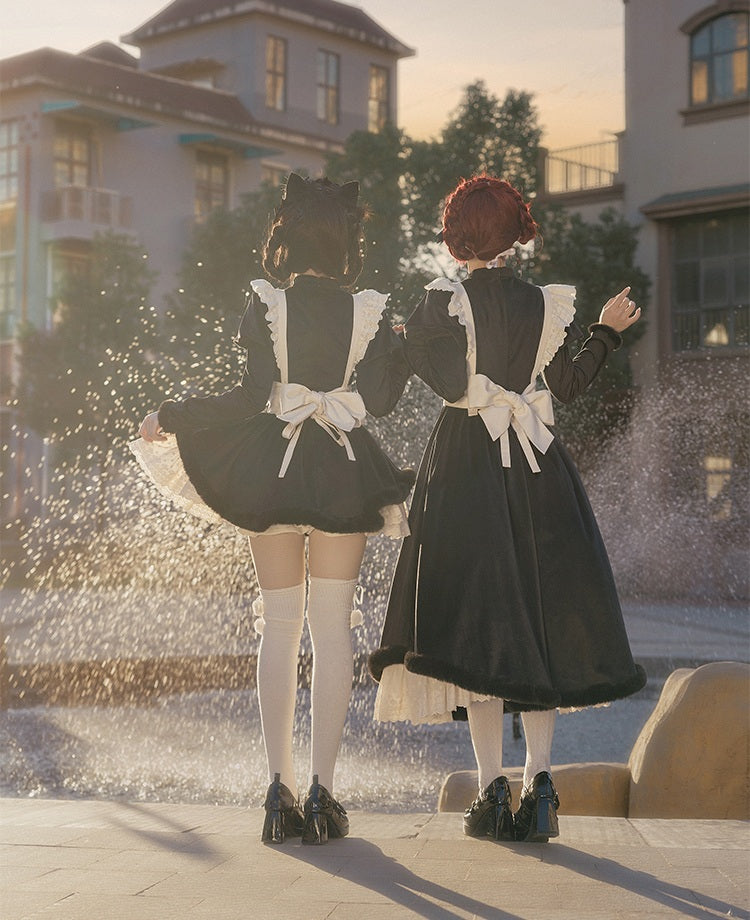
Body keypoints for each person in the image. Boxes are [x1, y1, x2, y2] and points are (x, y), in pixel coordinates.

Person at [133, 173, 414, 845]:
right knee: (334, 630)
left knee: (279, 630)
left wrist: (169, 413)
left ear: (287, 234)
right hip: (345, 473)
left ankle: (277, 793)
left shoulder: (265, 305)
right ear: (346, 241)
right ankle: (324, 795)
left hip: (274, 468)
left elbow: (246, 398)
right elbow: (378, 403)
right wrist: (398, 348)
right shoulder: (370, 311)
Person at [368, 175, 646, 843]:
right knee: (540, 624)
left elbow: (442, 385)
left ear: (458, 234)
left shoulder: (442, 302)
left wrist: (400, 334)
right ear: (517, 230)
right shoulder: (545, 304)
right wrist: (607, 332)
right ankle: (542, 787)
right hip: (537, 467)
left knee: (480, 631)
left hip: (467, 467)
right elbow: (570, 385)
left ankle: (493, 793)